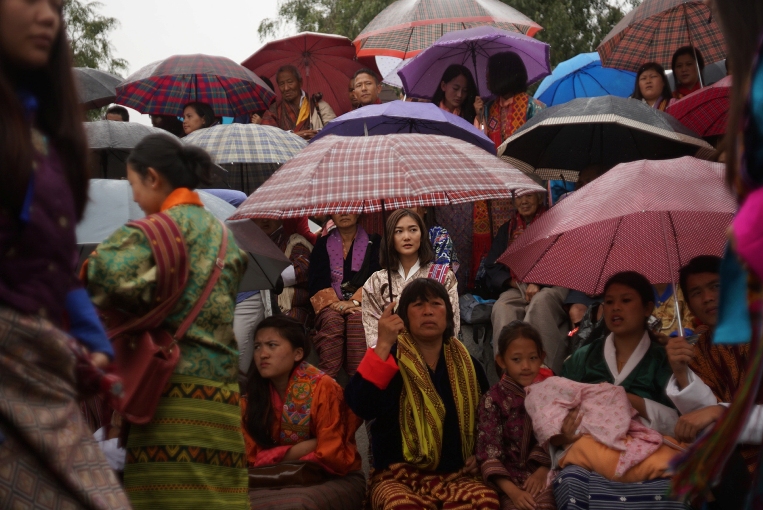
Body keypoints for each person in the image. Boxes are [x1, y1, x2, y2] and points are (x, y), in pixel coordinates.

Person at [0, 0, 129, 506]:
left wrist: (90, 336)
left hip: (41, 367)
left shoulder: (44, 135)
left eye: (55, 6)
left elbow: (52, 267)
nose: (49, 16)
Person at [84, 134, 250, 509]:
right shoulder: (226, 237)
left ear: (153, 178)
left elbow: (99, 274)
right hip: (221, 399)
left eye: (135, 186)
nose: (136, 198)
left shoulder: (156, 232)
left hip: (169, 396)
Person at [346, 279, 499, 509]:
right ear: (404, 317)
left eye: (436, 304)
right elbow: (360, 404)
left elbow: (489, 421)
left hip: (457, 476)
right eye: (418, 305)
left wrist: (480, 458)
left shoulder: (469, 365)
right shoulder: (389, 358)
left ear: (448, 315)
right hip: (397, 477)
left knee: (486, 501)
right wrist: (383, 345)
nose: (428, 311)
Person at [242, 316, 365, 509]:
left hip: (328, 477)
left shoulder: (323, 388)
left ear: (298, 353)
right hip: (266, 479)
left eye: (272, 345)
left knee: (297, 505)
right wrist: (305, 447)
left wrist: (273, 457)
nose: (262, 354)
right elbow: (250, 458)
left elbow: (331, 454)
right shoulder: (252, 398)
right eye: (257, 347)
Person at [485, 190, 570, 374]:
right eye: (519, 197)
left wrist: (538, 282)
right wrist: (513, 283)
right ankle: (507, 370)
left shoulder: (554, 224)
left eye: (529, 196)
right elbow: (492, 265)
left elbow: (562, 259)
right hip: (519, 285)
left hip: (552, 283)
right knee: (502, 306)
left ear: (539, 198)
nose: (524, 201)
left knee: (540, 303)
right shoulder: (507, 229)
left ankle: (543, 371)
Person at [476, 322, 555, 510]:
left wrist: (543, 470)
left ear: (542, 357)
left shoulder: (550, 394)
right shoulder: (492, 400)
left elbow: (555, 437)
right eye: (516, 359)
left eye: (533, 358)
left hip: (542, 476)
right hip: (506, 482)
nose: (526, 366)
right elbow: (489, 451)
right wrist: (513, 492)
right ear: (501, 360)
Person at [362, 208, 460, 347]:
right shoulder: (376, 281)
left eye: (413, 230)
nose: (406, 237)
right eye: (399, 231)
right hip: (392, 357)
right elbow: (372, 332)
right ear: (390, 237)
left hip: (434, 353)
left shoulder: (444, 276)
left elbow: (452, 323)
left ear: (422, 234)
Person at [235, 216, 314, 374]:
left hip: (291, 306)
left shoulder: (294, 241)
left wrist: (266, 276)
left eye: (269, 217)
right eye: (259, 218)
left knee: (286, 328)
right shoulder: (246, 246)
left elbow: (302, 269)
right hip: (256, 304)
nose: (264, 221)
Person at [308, 213, 381, 378]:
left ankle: (358, 383)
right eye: (339, 208)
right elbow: (316, 281)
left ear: (359, 211)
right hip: (330, 305)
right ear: (331, 214)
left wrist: (355, 302)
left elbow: (377, 277)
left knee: (357, 320)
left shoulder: (375, 242)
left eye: (349, 208)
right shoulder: (322, 244)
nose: (344, 213)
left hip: (363, 304)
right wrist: (336, 304)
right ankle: (327, 384)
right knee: (333, 321)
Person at [481, 51, 545, 149]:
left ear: (504, 74)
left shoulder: (534, 107)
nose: (487, 75)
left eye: (491, 71)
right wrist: (479, 115)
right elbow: (482, 140)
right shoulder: (487, 108)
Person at [261, 65, 336, 140]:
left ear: (300, 82)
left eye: (290, 82)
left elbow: (334, 134)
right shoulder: (274, 110)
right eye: (281, 84)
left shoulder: (320, 107)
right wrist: (294, 136)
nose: (286, 88)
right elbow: (267, 138)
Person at [412, 205, 460, 273]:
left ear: (425, 209)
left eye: (410, 206)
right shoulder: (396, 235)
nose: (406, 211)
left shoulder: (438, 234)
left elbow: (444, 269)